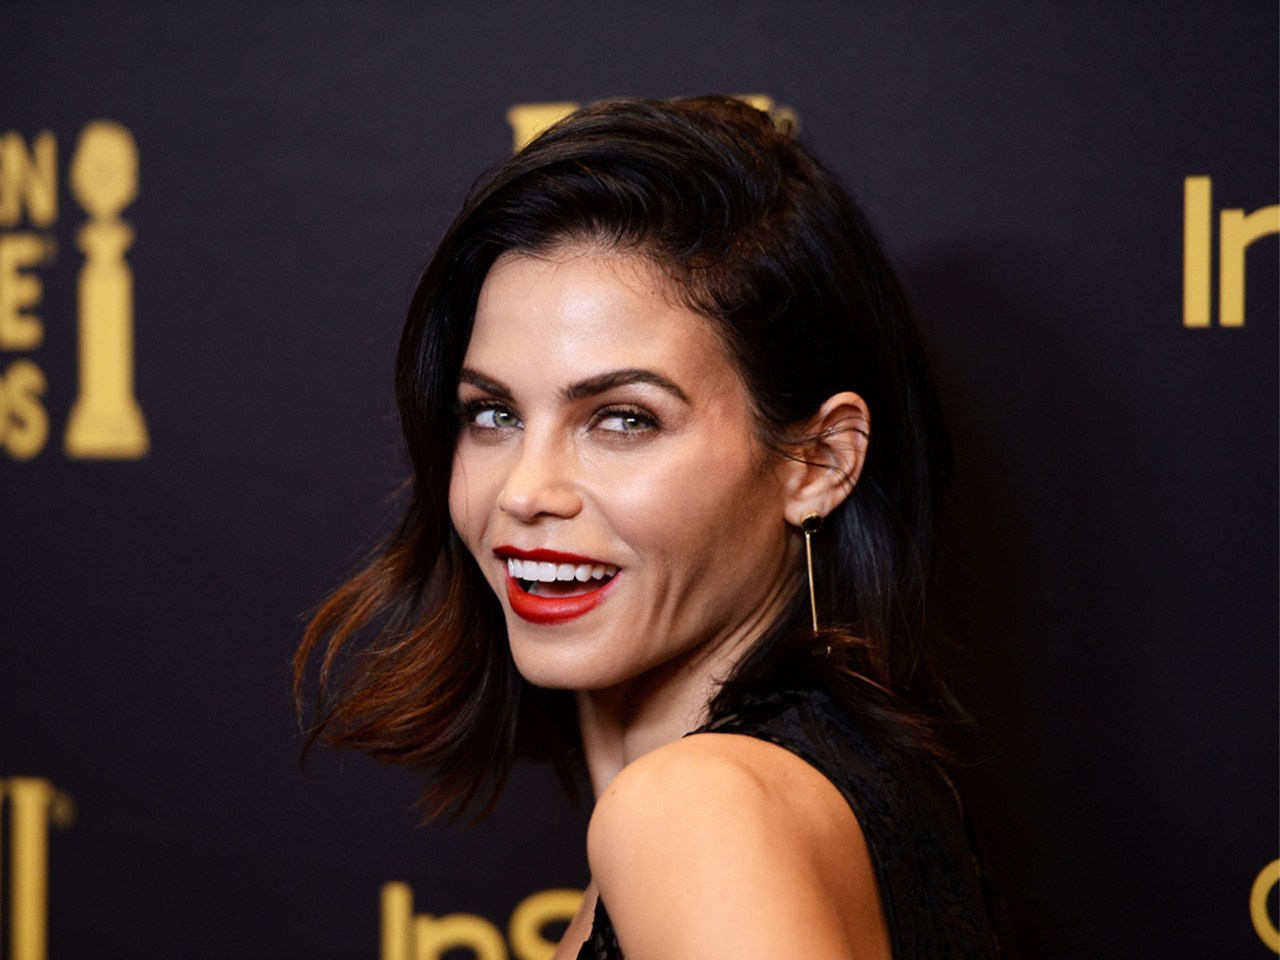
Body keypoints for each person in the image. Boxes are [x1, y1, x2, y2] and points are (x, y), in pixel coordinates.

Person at [296, 95, 997, 959]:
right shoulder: (822, 791)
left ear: (818, 462)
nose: (525, 491)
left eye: (624, 419)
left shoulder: (696, 812)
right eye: (493, 414)